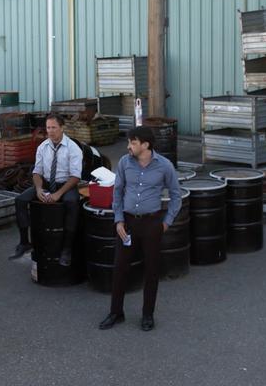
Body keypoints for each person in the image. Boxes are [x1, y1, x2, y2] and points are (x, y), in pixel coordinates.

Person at [98, 126, 182, 332]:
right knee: (119, 268)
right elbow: (117, 193)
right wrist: (118, 220)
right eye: (129, 142)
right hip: (127, 222)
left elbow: (176, 196)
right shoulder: (125, 163)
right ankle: (116, 312)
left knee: (151, 270)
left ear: (145, 145)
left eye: (133, 143)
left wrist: (166, 222)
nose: (128, 146)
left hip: (152, 223)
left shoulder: (164, 166)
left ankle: (147, 315)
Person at [9, 114, 83, 266]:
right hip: (47, 184)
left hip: (66, 184)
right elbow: (37, 172)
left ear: (62, 128)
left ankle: (67, 249)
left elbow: (75, 176)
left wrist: (58, 194)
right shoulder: (43, 147)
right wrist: (38, 189)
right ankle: (24, 242)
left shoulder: (73, 148)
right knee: (20, 200)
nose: (50, 131)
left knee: (72, 203)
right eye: (48, 128)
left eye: (54, 127)